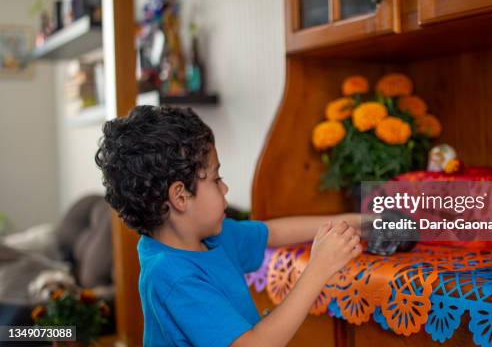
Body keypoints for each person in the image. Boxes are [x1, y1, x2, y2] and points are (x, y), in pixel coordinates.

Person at [95, 105, 362, 346]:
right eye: (215, 178)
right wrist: (319, 268)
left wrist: (361, 223)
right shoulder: (171, 275)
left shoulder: (213, 238)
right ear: (180, 196)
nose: (225, 187)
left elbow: (275, 232)